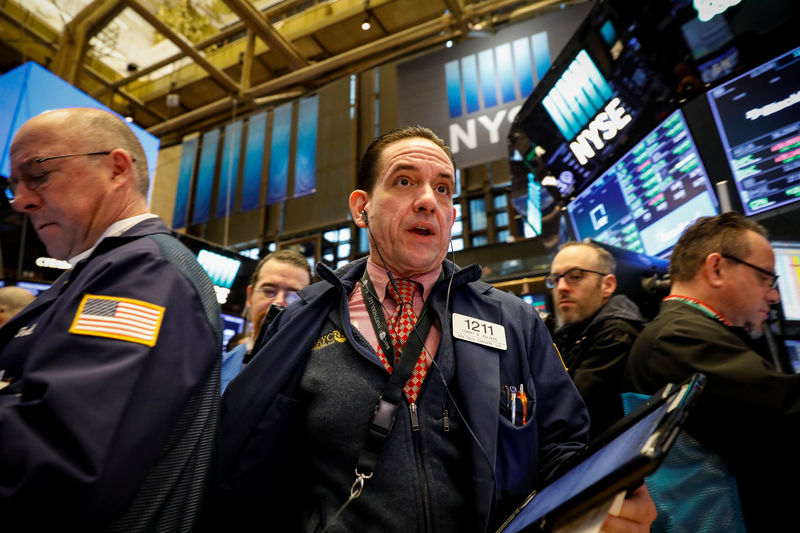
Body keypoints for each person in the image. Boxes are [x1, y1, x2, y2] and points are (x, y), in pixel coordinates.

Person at [215, 126, 656, 532]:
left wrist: (600, 502)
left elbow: (560, 450)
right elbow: (257, 471)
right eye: (404, 181)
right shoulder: (304, 321)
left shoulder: (512, 320)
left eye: (443, 188)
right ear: (361, 208)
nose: (428, 199)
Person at [0, 107, 222, 531]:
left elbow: (62, 459)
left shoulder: (142, 272)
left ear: (116, 168)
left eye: (38, 173)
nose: (21, 200)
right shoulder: (105, 270)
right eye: (15, 185)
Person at [624, 212, 798, 531]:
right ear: (716, 268)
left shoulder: (687, 330)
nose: (773, 295)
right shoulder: (679, 339)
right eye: (765, 278)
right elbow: (786, 412)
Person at [548, 241, 646, 438]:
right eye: (554, 280)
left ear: (607, 285)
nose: (561, 287)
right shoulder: (571, 331)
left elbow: (568, 414)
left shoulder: (616, 333)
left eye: (575, 277)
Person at [221, 249, 312, 393]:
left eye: (294, 296)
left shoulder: (316, 372)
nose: (279, 302)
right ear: (250, 296)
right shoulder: (224, 365)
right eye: (269, 291)